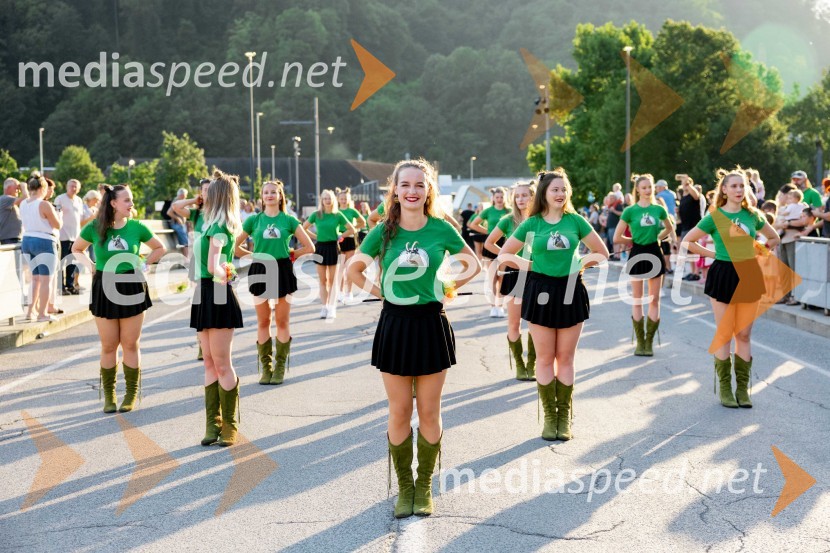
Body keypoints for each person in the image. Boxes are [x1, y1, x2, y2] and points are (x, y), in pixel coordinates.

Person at [346, 158, 480, 519]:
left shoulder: (441, 229)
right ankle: (404, 488)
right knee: (399, 410)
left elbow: (474, 264)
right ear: (395, 190)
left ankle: (424, 488)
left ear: (428, 191)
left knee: (429, 412)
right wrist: (380, 292)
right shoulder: (384, 231)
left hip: (431, 324)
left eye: (419, 185)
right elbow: (353, 269)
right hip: (395, 325)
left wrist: (447, 287)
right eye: (405, 185)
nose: (412, 191)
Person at [498, 168, 608, 441]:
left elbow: (602, 253)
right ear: (544, 193)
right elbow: (504, 254)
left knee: (566, 358)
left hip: (571, 291)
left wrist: (580, 263)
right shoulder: (532, 224)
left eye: (564, 189)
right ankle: (550, 417)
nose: (560, 194)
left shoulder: (576, 221)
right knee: (546, 358)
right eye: (555, 189)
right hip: (539, 291)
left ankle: (564, 417)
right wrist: (531, 265)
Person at [681, 168, 779, 409]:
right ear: (724, 189)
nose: (738, 190)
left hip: (749, 274)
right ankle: (725, 389)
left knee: (743, 335)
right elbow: (688, 241)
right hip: (723, 273)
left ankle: (742, 390)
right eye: (733, 186)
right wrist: (712, 253)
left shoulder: (753, 215)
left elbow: (774, 238)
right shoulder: (714, 217)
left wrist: (760, 249)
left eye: (741, 186)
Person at [71, 184, 165, 413]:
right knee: (109, 345)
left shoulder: (137, 226)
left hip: (132, 284)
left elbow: (159, 248)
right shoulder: (95, 226)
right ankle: (109, 395)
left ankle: (131, 393)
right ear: (113, 203)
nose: (131, 204)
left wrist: (143, 264)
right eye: (127, 200)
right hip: (104, 285)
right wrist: (91, 266)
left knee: (130, 343)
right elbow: (76, 249)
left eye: (131, 200)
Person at [234, 180, 314, 385]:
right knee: (263, 321)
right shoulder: (253, 220)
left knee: (282, 321)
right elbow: (235, 247)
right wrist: (253, 256)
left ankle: (279, 367)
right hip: (260, 270)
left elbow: (310, 246)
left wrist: (292, 253)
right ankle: (266, 368)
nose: (269, 195)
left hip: (282, 269)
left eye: (273, 192)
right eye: (266, 192)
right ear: (262, 196)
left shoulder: (289, 220)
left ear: (280, 196)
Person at [190, 170, 244, 447]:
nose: (203, 195)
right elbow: (217, 267)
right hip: (206, 291)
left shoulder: (219, 229)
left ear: (217, 196)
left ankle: (229, 425)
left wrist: (227, 275)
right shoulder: (209, 225)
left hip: (217, 293)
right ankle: (213, 424)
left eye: (208, 192)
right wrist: (228, 273)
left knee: (221, 362)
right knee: (210, 361)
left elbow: (214, 266)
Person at [614, 174, 675, 356]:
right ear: (638, 190)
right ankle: (640, 342)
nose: (648, 190)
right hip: (637, 253)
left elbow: (670, 228)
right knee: (638, 299)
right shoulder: (630, 211)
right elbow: (617, 237)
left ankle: (649, 342)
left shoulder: (659, 209)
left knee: (654, 299)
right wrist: (634, 240)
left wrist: (657, 237)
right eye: (644, 187)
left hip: (655, 252)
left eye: (650, 187)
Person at [485, 181, 537, 381]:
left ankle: (532, 364)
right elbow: (490, 242)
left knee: (534, 322)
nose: (521, 199)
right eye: (517, 196)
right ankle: (520, 365)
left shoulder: (540, 219)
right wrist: (507, 256)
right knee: (514, 323)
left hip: (536, 274)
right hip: (514, 275)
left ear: (533, 197)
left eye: (525, 195)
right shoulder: (508, 220)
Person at [171, 178, 211, 359]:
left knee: (217, 303)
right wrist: (194, 201)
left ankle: (214, 341)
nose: (208, 193)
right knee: (199, 303)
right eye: (204, 190)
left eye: (211, 190)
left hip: (219, 261)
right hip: (199, 261)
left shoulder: (221, 213)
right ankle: (202, 343)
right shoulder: (197, 214)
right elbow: (176, 207)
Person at [302, 189, 354, 319]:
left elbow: (351, 229)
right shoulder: (316, 214)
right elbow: (303, 228)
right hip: (320, 248)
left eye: (329, 198)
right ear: (322, 200)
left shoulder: (338, 215)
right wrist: (315, 237)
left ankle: (331, 308)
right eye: (325, 198)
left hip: (333, 248)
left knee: (332, 280)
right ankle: (324, 307)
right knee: (322, 280)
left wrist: (341, 236)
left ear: (333, 200)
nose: (327, 200)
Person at [20, 173, 61, 322]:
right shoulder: (44, 204)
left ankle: (30, 312)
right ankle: (43, 313)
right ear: (43, 188)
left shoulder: (23, 203)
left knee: (35, 279)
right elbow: (57, 224)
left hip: (27, 240)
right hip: (44, 241)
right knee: (46, 280)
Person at [468, 188, 511, 317]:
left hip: (506, 244)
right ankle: (493, 306)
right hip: (491, 244)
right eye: (497, 197)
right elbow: (472, 224)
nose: (499, 199)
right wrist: (488, 232)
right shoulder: (488, 211)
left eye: (501, 197)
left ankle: (500, 306)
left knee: (502, 278)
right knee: (492, 277)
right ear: (493, 198)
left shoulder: (509, 211)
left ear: (505, 197)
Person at [335, 187, 366, 303]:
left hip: (350, 239)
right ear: (338, 199)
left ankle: (349, 292)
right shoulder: (336, 211)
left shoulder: (352, 211)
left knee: (349, 267)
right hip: (339, 239)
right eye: (341, 199)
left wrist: (354, 229)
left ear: (348, 199)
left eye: (345, 199)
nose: (343, 200)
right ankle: (341, 292)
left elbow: (362, 222)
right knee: (340, 268)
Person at [55, 179, 84, 295]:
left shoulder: (79, 200)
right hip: (63, 236)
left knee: (72, 263)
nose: (74, 188)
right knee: (62, 262)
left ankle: (70, 285)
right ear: (66, 186)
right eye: (71, 186)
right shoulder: (60, 199)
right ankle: (60, 286)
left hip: (75, 236)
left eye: (76, 186)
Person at [1, 178, 27, 245]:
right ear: (9, 188)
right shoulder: (6, 198)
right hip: (10, 239)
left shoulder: (9, 200)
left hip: (11, 238)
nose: (18, 190)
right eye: (16, 188)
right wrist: (24, 187)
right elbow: (26, 198)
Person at [166, 188, 190, 259]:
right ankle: (187, 260)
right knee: (185, 242)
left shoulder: (181, 201)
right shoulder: (176, 202)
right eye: (185, 195)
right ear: (182, 195)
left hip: (181, 225)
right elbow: (169, 212)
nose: (186, 197)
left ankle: (187, 259)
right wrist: (177, 218)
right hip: (177, 225)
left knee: (185, 242)